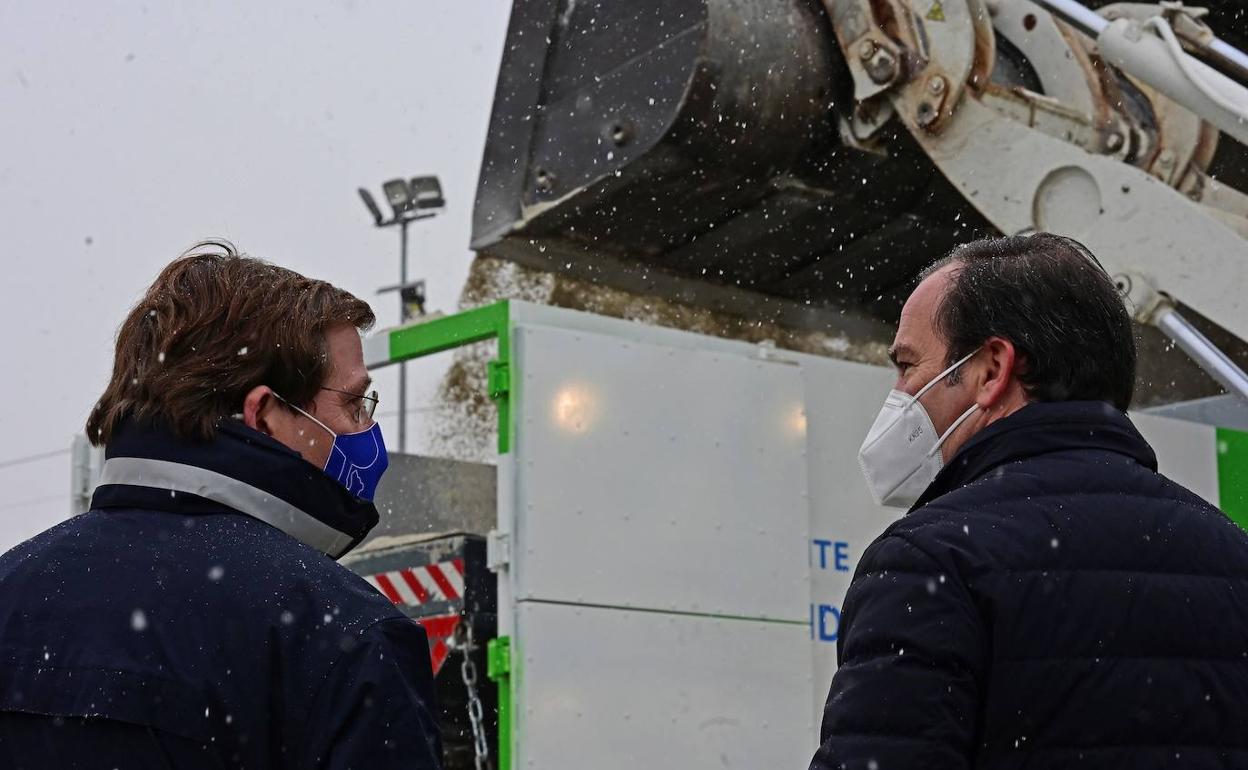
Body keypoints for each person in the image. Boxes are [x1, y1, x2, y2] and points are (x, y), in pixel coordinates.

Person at [0, 241, 443, 769]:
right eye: (353, 402)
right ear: (262, 415)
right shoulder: (342, 633)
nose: (366, 430)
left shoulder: (10, 592)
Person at [812, 233, 1248, 769]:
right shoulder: (1233, 557)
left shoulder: (930, 562)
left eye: (907, 365)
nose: (900, 392)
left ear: (992, 369)